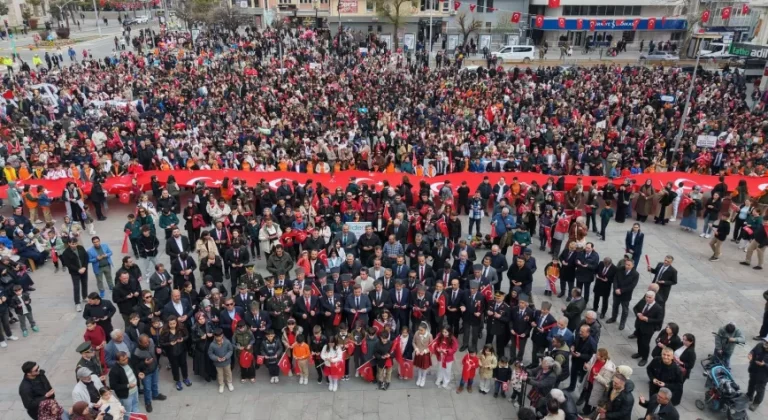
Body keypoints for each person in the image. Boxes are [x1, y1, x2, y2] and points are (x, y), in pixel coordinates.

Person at [632, 291, 664, 366]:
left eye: (650, 297)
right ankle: (639, 353)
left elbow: (659, 319)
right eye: (647, 297)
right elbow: (635, 308)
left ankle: (644, 358)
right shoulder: (643, 302)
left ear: (654, 297)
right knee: (639, 340)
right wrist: (637, 314)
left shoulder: (658, 308)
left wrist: (648, 319)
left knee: (645, 344)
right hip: (639, 326)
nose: (648, 299)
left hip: (648, 329)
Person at [160, 315, 191, 391]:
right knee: (175, 366)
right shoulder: (165, 332)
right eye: (171, 324)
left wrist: (182, 339)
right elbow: (161, 343)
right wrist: (169, 344)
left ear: (176, 322)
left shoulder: (181, 328)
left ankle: (185, 378)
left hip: (182, 350)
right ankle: (177, 381)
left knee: (184, 364)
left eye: (174, 323)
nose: (172, 325)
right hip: (172, 353)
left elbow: (187, 336)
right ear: (168, 324)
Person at [606, 258, 639, 331]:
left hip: (625, 295)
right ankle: (613, 318)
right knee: (615, 306)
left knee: (625, 310)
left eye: (628, 265)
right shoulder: (620, 269)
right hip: (616, 292)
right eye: (626, 264)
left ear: (633, 266)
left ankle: (622, 323)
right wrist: (616, 288)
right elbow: (615, 279)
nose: (626, 266)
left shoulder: (635, 274)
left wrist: (621, 290)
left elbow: (632, 285)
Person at [61, 238, 90, 312]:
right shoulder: (66, 253)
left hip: (84, 269)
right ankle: (77, 303)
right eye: (72, 244)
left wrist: (84, 267)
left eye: (75, 243)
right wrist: (78, 269)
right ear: (69, 244)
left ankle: (85, 296)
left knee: (84, 283)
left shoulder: (81, 248)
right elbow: (68, 264)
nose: (74, 245)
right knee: (76, 287)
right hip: (75, 272)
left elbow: (86, 257)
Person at [108, 352, 140, 417]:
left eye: (126, 358)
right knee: (127, 412)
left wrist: (138, 374)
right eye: (123, 360)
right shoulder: (114, 371)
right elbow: (113, 386)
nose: (126, 361)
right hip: (126, 395)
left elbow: (134, 369)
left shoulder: (129, 361)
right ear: (117, 361)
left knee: (135, 405)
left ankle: (136, 417)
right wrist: (127, 386)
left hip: (135, 390)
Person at [208, 328, 235, 393]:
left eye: (220, 336)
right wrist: (216, 358)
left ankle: (229, 383)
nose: (218, 338)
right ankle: (221, 384)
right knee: (220, 374)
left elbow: (230, 350)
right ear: (214, 336)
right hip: (218, 363)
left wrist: (226, 357)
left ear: (222, 335)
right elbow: (210, 353)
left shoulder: (227, 342)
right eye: (217, 337)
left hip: (227, 362)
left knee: (228, 373)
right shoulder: (212, 344)